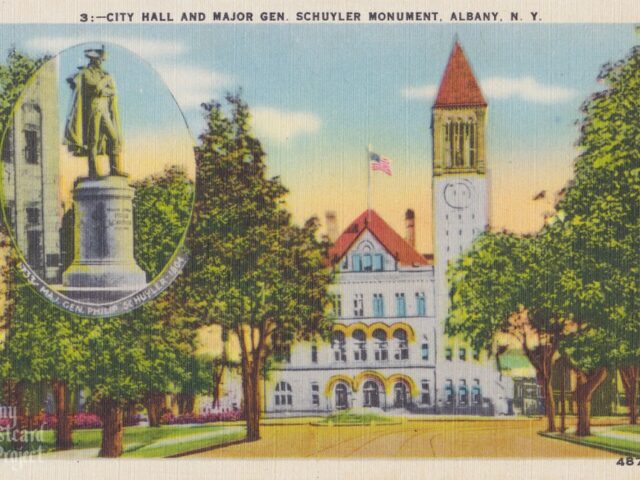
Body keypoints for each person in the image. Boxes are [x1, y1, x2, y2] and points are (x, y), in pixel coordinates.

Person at [64, 46, 124, 178]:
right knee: (94, 140)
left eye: (101, 60)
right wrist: (105, 82)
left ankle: (114, 168)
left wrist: (105, 88)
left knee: (113, 138)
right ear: (93, 60)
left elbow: (113, 91)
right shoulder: (86, 73)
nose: (101, 62)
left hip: (104, 110)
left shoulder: (104, 74)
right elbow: (96, 88)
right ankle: (93, 171)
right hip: (93, 108)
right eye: (99, 60)